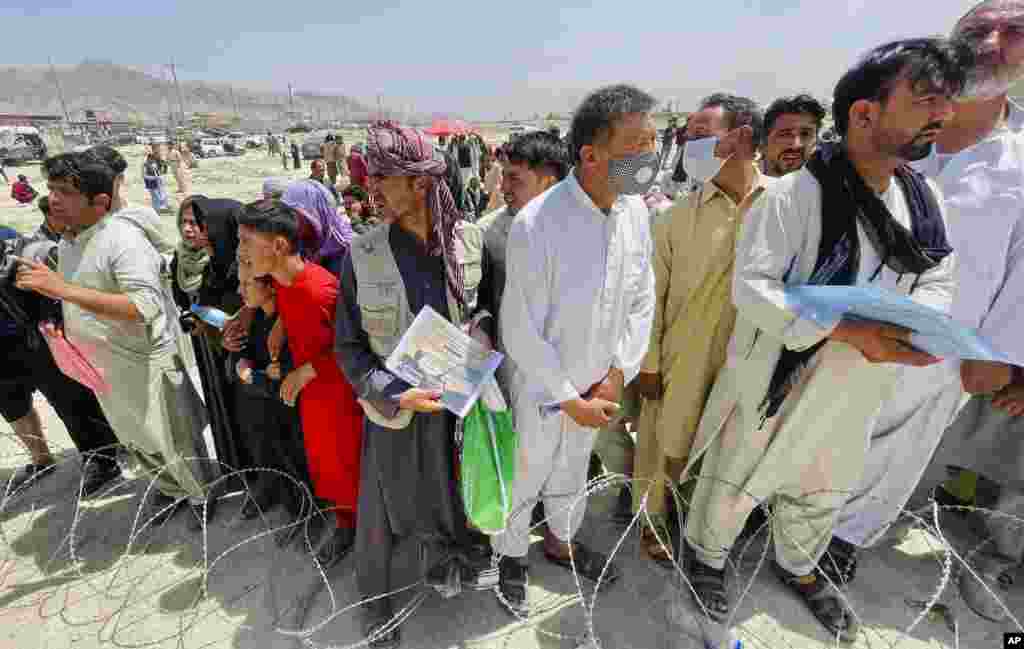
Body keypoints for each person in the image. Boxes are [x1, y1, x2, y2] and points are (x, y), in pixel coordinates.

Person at [681, 39, 961, 642]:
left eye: (945, 102)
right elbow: (753, 289)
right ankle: (705, 558)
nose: (940, 116)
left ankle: (800, 566)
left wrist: (921, 323)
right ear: (865, 114)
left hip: (862, 379)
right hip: (780, 376)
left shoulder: (922, 198)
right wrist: (846, 327)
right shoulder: (792, 196)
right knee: (737, 476)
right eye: (924, 101)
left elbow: (938, 271)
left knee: (824, 483)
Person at [831, 0, 1024, 622]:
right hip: (850, 323)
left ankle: (843, 540)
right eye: (977, 30)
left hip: (942, 347)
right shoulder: (895, 133)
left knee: (897, 448)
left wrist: (1002, 355)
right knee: (824, 427)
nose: (992, 42)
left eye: (1013, 32)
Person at [492, 84, 657, 615]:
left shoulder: (634, 214)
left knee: (572, 472)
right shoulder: (537, 223)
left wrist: (615, 375)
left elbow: (641, 301)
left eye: (654, 143)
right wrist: (568, 397)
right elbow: (519, 329)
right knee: (526, 474)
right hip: (545, 388)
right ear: (590, 154)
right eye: (638, 146)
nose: (651, 158)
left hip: (598, 386)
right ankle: (509, 559)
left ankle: (560, 544)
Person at [333, 121, 496, 647]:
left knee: (456, 496)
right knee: (385, 512)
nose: (369, 188)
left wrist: (484, 334)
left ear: (421, 182)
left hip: (457, 407)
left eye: (381, 177)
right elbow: (349, 346)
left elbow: (488, 306)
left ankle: (455, 565)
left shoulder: (470, 241)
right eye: (367, 176)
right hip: (396, 410)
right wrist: (390, 391)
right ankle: (379, 607)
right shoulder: (363, 254)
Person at [16, 154, 212, 529]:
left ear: (100, 202)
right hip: (106, 367)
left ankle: (202, 497)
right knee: (139, 440)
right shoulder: (71, 242)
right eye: (52, 189)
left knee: (173, 441)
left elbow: (143, 307)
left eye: (65, 192)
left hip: (144, 364)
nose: (54, 199)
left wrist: (63, 290)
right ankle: (173, 492)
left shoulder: (121, 241)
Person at [632, 93, 770, 565]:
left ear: (744, 137)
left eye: (701, 136)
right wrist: (647, 363)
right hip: (683, 356)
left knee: (728, 450)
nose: (690, 146)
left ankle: (710, 528)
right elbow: (651, 299)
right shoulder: (675, 217)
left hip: (753, 355)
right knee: (664, 447)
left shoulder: (782, 206)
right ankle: (653, 522)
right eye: (686, 137)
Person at [236, 199, 363, 569]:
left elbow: (353, 347)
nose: (242, 250)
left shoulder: (320, 290)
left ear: (278, 246)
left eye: (247, 241)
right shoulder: (286, 284)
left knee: (348, 465)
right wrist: (280, 327)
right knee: (326, 464)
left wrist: (307, 370)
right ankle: (344, 523)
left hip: (338, 396)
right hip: (314, 399)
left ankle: (362, 535)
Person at [0, 219, 123, 496]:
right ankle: (41, 460)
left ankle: (103, 459)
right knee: (12, 405)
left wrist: (49, 317)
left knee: (70, 400)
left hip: (33, 336)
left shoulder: (9, 241)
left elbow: (43, 278)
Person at [230, 264, 314, 533]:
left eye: (246, 284)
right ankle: (292, 511)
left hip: (287, 418)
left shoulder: (285, 326)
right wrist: (246, 368)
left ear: (269, 286)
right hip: (262, 417)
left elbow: (281, 379)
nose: (239, 290)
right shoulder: (254, 319)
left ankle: (307, 518)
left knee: (296, 466)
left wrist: (250, 375)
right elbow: (240, 360)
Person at [761, 94, 828, 177]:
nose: (796, 144)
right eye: (785, 134)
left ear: (815, 142)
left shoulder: (820, 185)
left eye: (805, 134)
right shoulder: (744, 182)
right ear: (764, 141)